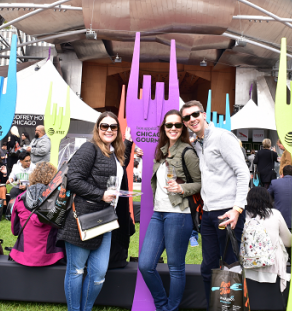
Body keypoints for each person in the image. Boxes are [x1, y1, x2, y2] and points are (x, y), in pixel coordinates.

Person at [57, 112, 133, 311]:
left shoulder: (114, 153)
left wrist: (129, 143)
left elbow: (115, 172)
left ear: (118, 131)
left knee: (98, 274)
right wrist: (101, 194)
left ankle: (86, 308)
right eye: (104, 126)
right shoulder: (89, 148)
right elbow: (73, 179)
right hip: (83, 218)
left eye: (113, 127)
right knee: (76, 270)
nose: (109, 130)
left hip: (105, 220)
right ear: (98, 129)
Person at [181, 100, 249, 306]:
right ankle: (215, 307)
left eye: (195, 114)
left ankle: (231, 308)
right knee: (207, 268)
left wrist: (237, 209)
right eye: (187, 118)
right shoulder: (198, 145)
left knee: (230, 268)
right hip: (209, 214)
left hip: (228, 211)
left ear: (203, 114)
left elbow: (243, 172)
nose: (192, 119)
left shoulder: (222, 137)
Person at [138, 110, 202, 311]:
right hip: (159, 213)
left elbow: (201, 183)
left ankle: (169, 309)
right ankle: (161, 304)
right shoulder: (161, 150)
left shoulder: (187, 152)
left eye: (177, 125)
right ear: (163, 128)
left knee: (175, 267)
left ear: (182, 128)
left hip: (179, 214)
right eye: (169, 125)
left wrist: (182, 188)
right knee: (145, 265)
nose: (173, 128)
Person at [10, 162, 65, 266]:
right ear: (54, 178)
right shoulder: (58, 201)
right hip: (51, 255)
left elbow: (15, 230)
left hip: (23, 255)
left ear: (33, 176)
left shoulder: (20, 199)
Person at [243, 187, 292, 291]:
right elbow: (288, 242)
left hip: (247, 266)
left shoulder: (242, 216)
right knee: (278, 240)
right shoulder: (275, 214)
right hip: (272, 267)